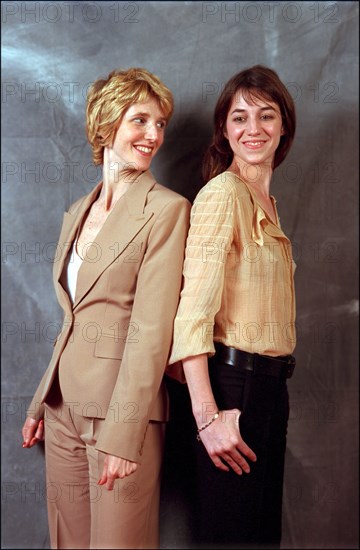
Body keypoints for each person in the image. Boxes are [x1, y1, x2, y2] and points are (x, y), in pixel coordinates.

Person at [22, 67, 190, 549]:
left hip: (120, 414)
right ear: (106, 123)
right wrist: (40, 399)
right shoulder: (77, 211)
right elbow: (71, 320)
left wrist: (122, 435)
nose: (153, 134)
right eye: (140, 120)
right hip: (62, 408)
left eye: (160, 124)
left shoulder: (166, 210)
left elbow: (152, 331)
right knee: (66, 542)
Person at [168, 65, 297, 549]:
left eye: (266, 116)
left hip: (269, 388)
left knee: (260, 539)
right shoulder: (223, 194)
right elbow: (192, 317)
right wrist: (207, 418)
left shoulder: (265, 199)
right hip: (230, 389)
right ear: (225, 128)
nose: (253, 129)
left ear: (284, 125)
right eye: (239, 117)